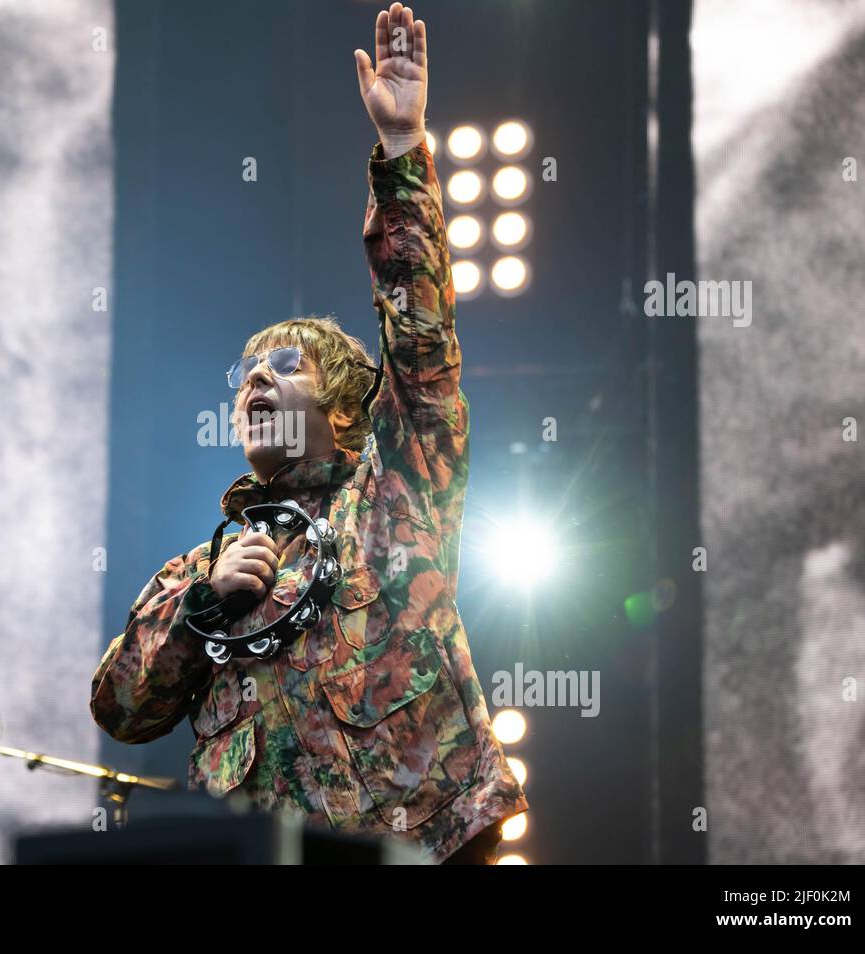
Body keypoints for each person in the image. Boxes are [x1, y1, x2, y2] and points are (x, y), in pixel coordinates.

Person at [91, 2, 528, 864]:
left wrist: (403, 154)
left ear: (340, 408)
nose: (253, 378)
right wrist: (202, 608)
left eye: (282, 365)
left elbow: (421, 339)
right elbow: (118, 708)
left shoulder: (400, 491)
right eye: (244, 371)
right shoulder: (199, 570)